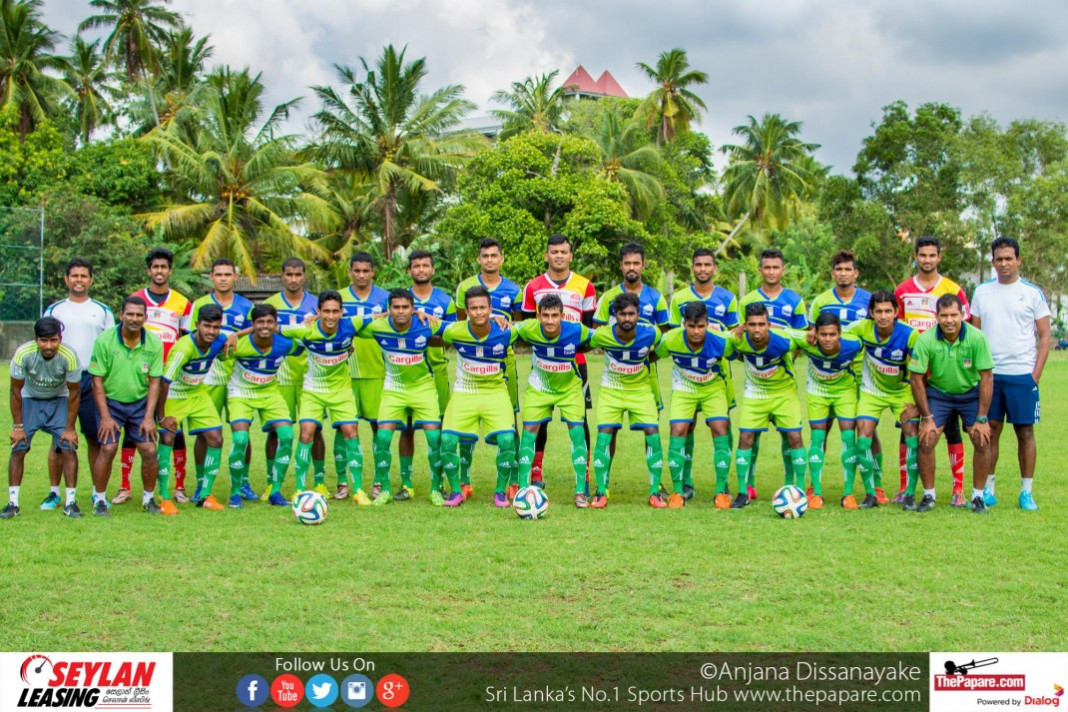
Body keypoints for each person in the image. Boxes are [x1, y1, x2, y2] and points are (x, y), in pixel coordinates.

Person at [970, 236, 1051, 510]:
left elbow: (1044, 336)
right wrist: (977, 374)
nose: (1004, 264)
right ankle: (988, 488)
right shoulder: (981, 292)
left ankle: (1026, 491)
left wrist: (1034, 375)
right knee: (990, 432)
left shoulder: (1032, 293)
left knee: (1025, 432)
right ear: (992, 262)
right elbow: (976, 336)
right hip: (990, 376)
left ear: (1018, 260)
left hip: (1021, 376)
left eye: (1009, 259)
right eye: (999, 259)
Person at [895, 235, 971, 506]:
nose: (927, 259)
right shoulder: (903, 290)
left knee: (951, 429)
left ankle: (958, 489)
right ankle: (905, 488)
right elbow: (895, 328)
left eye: (932, 255)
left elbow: (968, 328)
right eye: (922, 255)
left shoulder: (953, 288)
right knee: (907, 427)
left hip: (943, 374)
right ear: (915, 256)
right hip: (912, 373)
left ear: (939, 256)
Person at [593, 242, 670, 493]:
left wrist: (644, 358)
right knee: (609, 430)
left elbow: (664, 338)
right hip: (613, 375)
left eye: (636, 263)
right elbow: (597, 333)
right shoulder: (608, 298)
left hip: (645, 375)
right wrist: (619, 353)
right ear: (621, 265)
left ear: (643, 265)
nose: (632, 267)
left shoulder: (656, 298)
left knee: (651, 427)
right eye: (627, 263)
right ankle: (603, 483)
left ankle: (655, 484)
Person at [358, 289, 447, 506]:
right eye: (395, 307)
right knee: (383, 439)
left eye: (405, 307)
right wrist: (374, 316)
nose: (400, 312)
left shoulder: (426, 324)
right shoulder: (377, 327)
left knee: (435, 439)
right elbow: (343, 324)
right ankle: (386, 489)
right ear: (389, 309)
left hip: (423, 389)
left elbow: (464, 326)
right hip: (393, 389)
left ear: (413, 309)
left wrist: (495, 317)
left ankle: (436, 488)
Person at [908, 294, 994, 514]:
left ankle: (977, 497)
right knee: (926, 439)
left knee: (982, 439)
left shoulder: (977, 337)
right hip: (939, 394)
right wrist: (926, 418)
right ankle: (929, 495)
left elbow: (986, 377)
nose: (949, 320)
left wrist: (982, 418)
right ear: (936, 316)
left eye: (954, 315)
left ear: (962, 315)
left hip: (970, 394)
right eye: (944, 315)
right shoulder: (926, 339)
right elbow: (916, 379)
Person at [122, 248, 194, 504]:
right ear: (148, 270)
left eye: (164, 267)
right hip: (138, 376)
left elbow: (187, 340)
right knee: (133, 429)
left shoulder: (183, 302)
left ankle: (180, 486)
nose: (160, 271)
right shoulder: (135, 299)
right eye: (155, 267)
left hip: (171, 378)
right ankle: (124, 487)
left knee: (174, 428)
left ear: (170, 271)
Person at [667, 248, 740, 500]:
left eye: (707, 264)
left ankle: (723, 485)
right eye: (698, 264)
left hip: (717, 374)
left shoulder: (728, 298)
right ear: (692, 267)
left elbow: (735, 337)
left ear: (715, 268)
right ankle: (685, 483)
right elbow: (669, 338)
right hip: (685, 375)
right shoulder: (678, 299)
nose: (702, 269)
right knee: (684, 427)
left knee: (721, 425)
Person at [282, 291, 368, 503]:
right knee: (306, 433)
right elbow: (271, 328)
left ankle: (357, 489)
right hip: (313, 390)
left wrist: (418, 312)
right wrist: (234, 336)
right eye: (326, 311)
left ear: (342, 311)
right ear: (318, 311)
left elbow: (382, 316)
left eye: (335, 311)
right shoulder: (306, 330)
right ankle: (300, 489)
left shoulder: (352, 324)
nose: (331, 316)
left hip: (341, 390)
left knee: (351, 432)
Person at [41, 258, 114, 510]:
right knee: (58, 439)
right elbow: (45, 345)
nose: (79, 280)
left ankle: (97, 492)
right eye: (74, 276)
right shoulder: (54, 310)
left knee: (95, 438)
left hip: (91, 379)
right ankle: (54, 493)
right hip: (61, 382)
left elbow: (110, 349)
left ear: (91, 280)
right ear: (66, 279)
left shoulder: (103, 311)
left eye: (84, 276)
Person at [436, 286, 518, 507]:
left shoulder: (507, 331)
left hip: (495, 392)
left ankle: (500, 491)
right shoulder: (454, 330)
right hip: (465, 392)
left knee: (508, 439)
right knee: (447, 439)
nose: (479, 312)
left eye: (483, 307)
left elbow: (533, 328)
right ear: (467, 311)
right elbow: (430, 327)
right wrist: (421, 314)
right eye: (474, 308)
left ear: (491, 309)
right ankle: (456, 491)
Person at [737, 248, 808, 500]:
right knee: (749, 436)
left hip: (783, 382)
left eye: (775, 267)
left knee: (790, 435)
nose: (771, 272)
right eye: (766, 267)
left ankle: (793, 485)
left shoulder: (794, 300)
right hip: (754, 383)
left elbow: (801, 339)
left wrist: (783, 358)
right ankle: (747, 486)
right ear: (760, 270)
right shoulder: (747, 301)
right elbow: (738, 336)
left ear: (783, 270)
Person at [512, 294, 593, 507]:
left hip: (569, 389)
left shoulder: (576, 330)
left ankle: (580, 490)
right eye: (545, 315)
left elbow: (598, 338)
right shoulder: (529, 327)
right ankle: (523, 489)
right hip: (539, 388)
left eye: (554, 315)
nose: (549, 320)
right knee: (529, 433)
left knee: (577, 432)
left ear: (562, 315)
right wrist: (499, 320)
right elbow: (508, 327)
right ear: (538, 315)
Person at [456, 238, 523, 495]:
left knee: (511, 421)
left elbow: (519, 327)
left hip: (504, 362)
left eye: (494, 256)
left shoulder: (513, 290)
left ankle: (514, 480)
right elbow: (462, 325)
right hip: (471, 365)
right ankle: (464, 480)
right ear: (479, 259)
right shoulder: (466, 287)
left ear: (502, 258)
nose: (490, 260)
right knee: (465, 424)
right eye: (485, 256)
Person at [88, 297, 164, 516]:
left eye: (139, 315)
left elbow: (155, 382)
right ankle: (100, 500)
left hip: (140, 404)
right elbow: (97, 381)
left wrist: (150, 416)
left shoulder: (153, 343)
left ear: (145, 318)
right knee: (108, 448)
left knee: (149, 450)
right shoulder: (105, 340)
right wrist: (105, 417)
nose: (134, 319)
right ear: (121, 315)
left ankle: (149, 499)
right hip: (111, 403)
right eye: (129, 314)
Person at [727, 303, 808, 509]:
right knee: (745, 438)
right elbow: (715, 336)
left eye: (761, 324)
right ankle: (743, 492)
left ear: (769, 325)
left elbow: (807, 337)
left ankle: (798, 490)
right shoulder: (738, 339)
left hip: (784, 394)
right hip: (755, 394)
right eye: (752, 324)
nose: (757, 329)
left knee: (795, 437)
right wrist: (732, 331)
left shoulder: (784, 340)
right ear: (745, 325)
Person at [655, 301, 734, 509]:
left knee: (720, 428)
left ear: (708, 324)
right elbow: (655, 353)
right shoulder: (671, 340)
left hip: (712, 388)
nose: (696, 331)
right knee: (678, 429)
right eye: (691, 326)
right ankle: (678, 491)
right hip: (684, 387)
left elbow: (741, 352)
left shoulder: (720, 341)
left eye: (701, 326)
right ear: (684, 324)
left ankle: (721, 491)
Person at [846, 291, 921, 509]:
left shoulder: (909, 334)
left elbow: (922, 371)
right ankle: (871, 492)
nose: (883, 316)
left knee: (912, 438)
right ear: (871, 312)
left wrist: (918, 405)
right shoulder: (862, 328)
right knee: (863, 438)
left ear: (896, 312)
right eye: (878, 311)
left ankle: (909, 494)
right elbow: (837, 337)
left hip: (901, 391)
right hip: (872, 391)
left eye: (888, 311)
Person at [223, 304, 302, 508]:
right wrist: (237, 334)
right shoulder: (238, 344)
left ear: (276, 324)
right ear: (252, 324)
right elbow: (212, 348)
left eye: (269, 322)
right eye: (260, 322)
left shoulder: (285, 343)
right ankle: (235, 493)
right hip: (241, 393)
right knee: (240, 439)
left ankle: (274, 491)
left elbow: (310, 342)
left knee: (287, 436)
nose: (265, 326)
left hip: (270, 393)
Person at [188, 259, 254, 501]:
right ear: (211, 277)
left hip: (239, 376)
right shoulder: (200, 304)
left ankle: (244, 482)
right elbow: (189, 337)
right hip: (208, 376)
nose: (224, 278)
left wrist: (237, 334)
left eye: (228, 274)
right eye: (219, 274)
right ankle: (200, 483)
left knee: (242, 432)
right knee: (204, 433)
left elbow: (257, 330)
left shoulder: (246, 306)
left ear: (235, 277)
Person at [2, 318, 82, 519]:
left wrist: (70, 428)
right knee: (18, 447)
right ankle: (13, 503)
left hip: (59, 400)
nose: (49, 346)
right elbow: (15, 391)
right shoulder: (23, 354)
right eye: (43, 340)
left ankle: (71, 503)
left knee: (68, 447)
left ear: (60, 339)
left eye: (53, 340)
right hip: (31, 400)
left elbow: (74, 393)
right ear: (36, 339)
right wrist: (18, 426)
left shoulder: (69, 356)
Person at [395, 250, 456, 500]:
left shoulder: (445, 301)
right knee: (407, 429)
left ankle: (437, 484)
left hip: (437, 374)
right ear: (409, 271)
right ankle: (406, 483)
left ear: (433, 270)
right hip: (407, 376)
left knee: (437, 430)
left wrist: (427, 337)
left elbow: (452, 337)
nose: (421, 269)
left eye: (425, 265)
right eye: (416, 266)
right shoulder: (401, 301)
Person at [156, 305, 228, 514]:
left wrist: (232, 339)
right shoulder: (183, 348)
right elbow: (164, 382)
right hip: (174, 395)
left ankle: (205, 494)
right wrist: (161, 417)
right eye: (206, 326)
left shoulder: (218, 340)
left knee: (216, 438)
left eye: (215, 327)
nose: (211, 332)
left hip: (198, 394)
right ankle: (164, 497)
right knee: (168, 438)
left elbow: (228, 339)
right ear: (197, 325)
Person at [263, 258, 324, 497]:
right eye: (289, 274)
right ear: (282, 276)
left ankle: (319, 480)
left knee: (315, 429)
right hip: (280, 377)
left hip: (311, 376)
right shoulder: (271, 304)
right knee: (274, 431)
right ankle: (271, 481)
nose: (293, 279)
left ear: (304, 276)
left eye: (298, 274)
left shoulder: (317, 304)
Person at [796, 313, 864, 509]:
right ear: (815, 333)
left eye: (832, 334)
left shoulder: (853, 345)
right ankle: (816, 492)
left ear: (840, 333)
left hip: (845, 391)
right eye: (823, 334)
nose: (827, 339)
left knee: (849, 438)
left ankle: (848, 493)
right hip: (817, 391)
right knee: (817, 438)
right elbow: (783, 333)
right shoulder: (806, 341)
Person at [339, 252, 389, 499]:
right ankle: (342, 482)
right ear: (350, 271)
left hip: (376, 372)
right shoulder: (339, 298)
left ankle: (379, 480)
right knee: (342, 428)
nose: (361, 275)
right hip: (343, 374)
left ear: (372, 272)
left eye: (365, 270)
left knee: (378, 428)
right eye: (356, 270)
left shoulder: (385, 298)